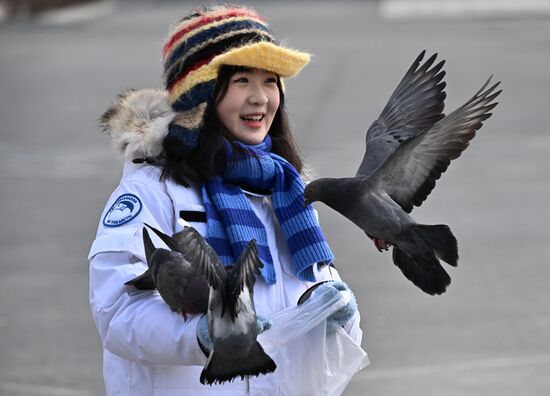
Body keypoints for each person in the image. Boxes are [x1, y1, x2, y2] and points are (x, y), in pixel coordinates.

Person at [89, 5, 364, 395]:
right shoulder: (151, 190)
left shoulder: (285, 189)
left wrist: (340, 314)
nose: (260, 98)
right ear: (201, 95)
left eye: (270, 81)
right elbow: (115, 312)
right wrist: (201, 334)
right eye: (241, 81)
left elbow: (315, 294)